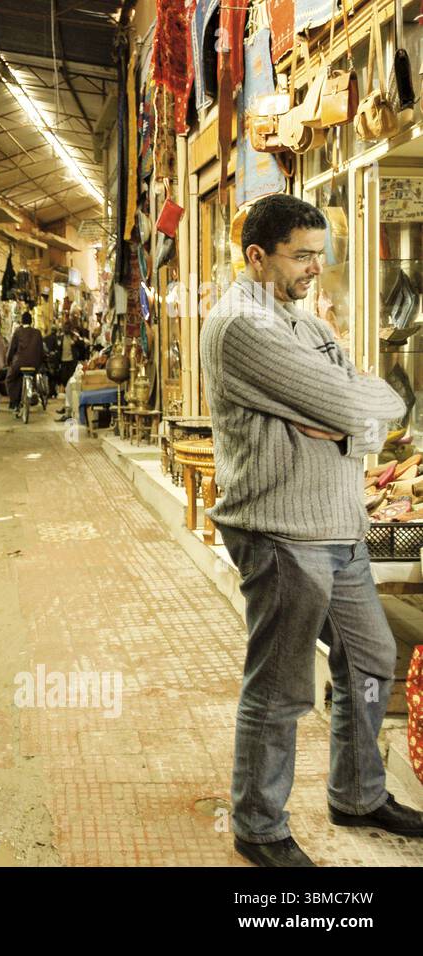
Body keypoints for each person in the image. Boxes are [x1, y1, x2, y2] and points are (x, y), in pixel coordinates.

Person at [201, 193, 423, 868]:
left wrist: (344, 417)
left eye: (320, 255)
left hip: (340, 525)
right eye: (301, 255)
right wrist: (346, 411)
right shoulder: (242, 326)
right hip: (280, 529)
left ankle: (357, 791)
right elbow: (354, 402)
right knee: (282, 684)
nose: (314, 269)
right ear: (256, 256)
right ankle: (259, 825)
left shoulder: (304, 324)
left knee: (371, 659)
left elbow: (382, 398)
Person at [5, 311, 45, 412]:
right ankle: (32, 392)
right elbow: (41, 350)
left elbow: (12, 349)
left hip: (19, 363)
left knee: (10, 379)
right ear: (31, 321)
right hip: (34, 364)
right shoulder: (37, 333)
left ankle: (15, 402)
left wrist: (8, 361)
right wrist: (40, 363)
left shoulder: (18, 332)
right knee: (31, 376)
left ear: (22, 321)